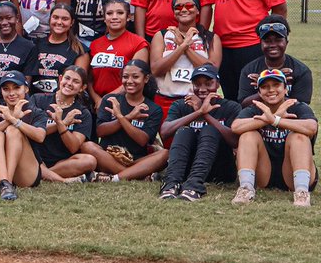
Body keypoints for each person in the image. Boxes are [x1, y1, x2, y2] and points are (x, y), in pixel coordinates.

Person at [231, 68, 318, 208]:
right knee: (248, 135)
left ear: (285, 89)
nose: (271, 90)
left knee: (298, 136)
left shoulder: (296, 106)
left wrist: (276, 121)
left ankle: (302, 192)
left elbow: (312, 127)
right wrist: (269, 119)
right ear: (259, 92)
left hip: (294, 171)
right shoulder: (256, 108)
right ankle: (246, 188)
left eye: (276, 85)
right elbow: (236, 127)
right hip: (264, 172)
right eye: (265, 87)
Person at [158, 63, 240, 201]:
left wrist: (205, 114)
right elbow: (164, 132)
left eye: (208, 84)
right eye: (197, 84)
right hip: (186, 167)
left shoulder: (231, 107)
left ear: (218, 84)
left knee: (210, 129)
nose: (202, 89)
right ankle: (171, 184)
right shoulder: (181, 105)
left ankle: (194, 186)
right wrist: (197, 113)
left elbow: (234, 140)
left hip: (220, 168)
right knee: (184, 131)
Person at [83, 60, 168, 182]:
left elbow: (142, 140)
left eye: (135, 77)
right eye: (125, 77)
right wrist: (128, 117)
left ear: (146, 78)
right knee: (87, 146)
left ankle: (115, 177)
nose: (129, 81)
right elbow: (100, 131)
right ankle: (137, 175)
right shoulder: (110, 99)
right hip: (108, 157)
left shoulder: (154, 109)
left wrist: (121, 117)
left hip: (135, 160)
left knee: (164, 154)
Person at [149, 0, 221, 117]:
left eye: (189, 6)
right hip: (166, 99)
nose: (183, 9)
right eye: (178, 7)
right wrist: (181, 47)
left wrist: (185, 47)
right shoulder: (162, 35)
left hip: (198, 100)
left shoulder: (210, 38)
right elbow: (156, 70)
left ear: (198, 10)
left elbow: (212, 70)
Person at [0, 71, 47, 200]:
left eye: (16, 88)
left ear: (26, 89)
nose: (11, 93)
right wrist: (9, 119)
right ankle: (6, 184)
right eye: (6, 89)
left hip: (26, 174)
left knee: (13, 131)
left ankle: (4, 184)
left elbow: (40, 136)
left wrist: (16, 121)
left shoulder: (35, 111)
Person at [33, 67, 97, 183]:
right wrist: (62, 123)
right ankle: (44, 172)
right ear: (60, 79)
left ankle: (43, 173)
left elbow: (73, 147)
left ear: (82, 88)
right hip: (36, 157)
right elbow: (32, 132)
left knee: (89, 161)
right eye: (67, 78)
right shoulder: (38, 100)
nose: (69, 84)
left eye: (76, 81)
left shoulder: (82, 113)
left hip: (62, 162)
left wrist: (61, 125)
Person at [236, 16, 313, 108]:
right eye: (267, 41)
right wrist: (263, 84)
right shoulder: (249, 70)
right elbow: (244, 104)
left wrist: (274, 86)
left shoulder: (301, 71)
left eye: (278, 40)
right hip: (258, 117)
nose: (272, 45)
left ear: (286, 42)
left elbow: (302, 107)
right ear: (260, 43)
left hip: (290, 118)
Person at [87, 0, 149, 108]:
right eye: (109, 13)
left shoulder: (138, 43)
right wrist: (97, 100)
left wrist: (107, 99)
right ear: (104, 18)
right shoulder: (94, 45)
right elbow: (89, 79)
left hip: (125, 104)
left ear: (129, 17)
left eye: (120, 13)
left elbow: (137, 79)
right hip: (97, 104)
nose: (114, 17)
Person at [32, 4, 88, 95]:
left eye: (65, 19)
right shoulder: (36, 44)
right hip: (35, 99)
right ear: (50, 19)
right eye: (55, 17)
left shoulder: (79, 50)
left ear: (72, 22)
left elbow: (78, 83)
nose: (59, 22)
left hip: (63, 99)